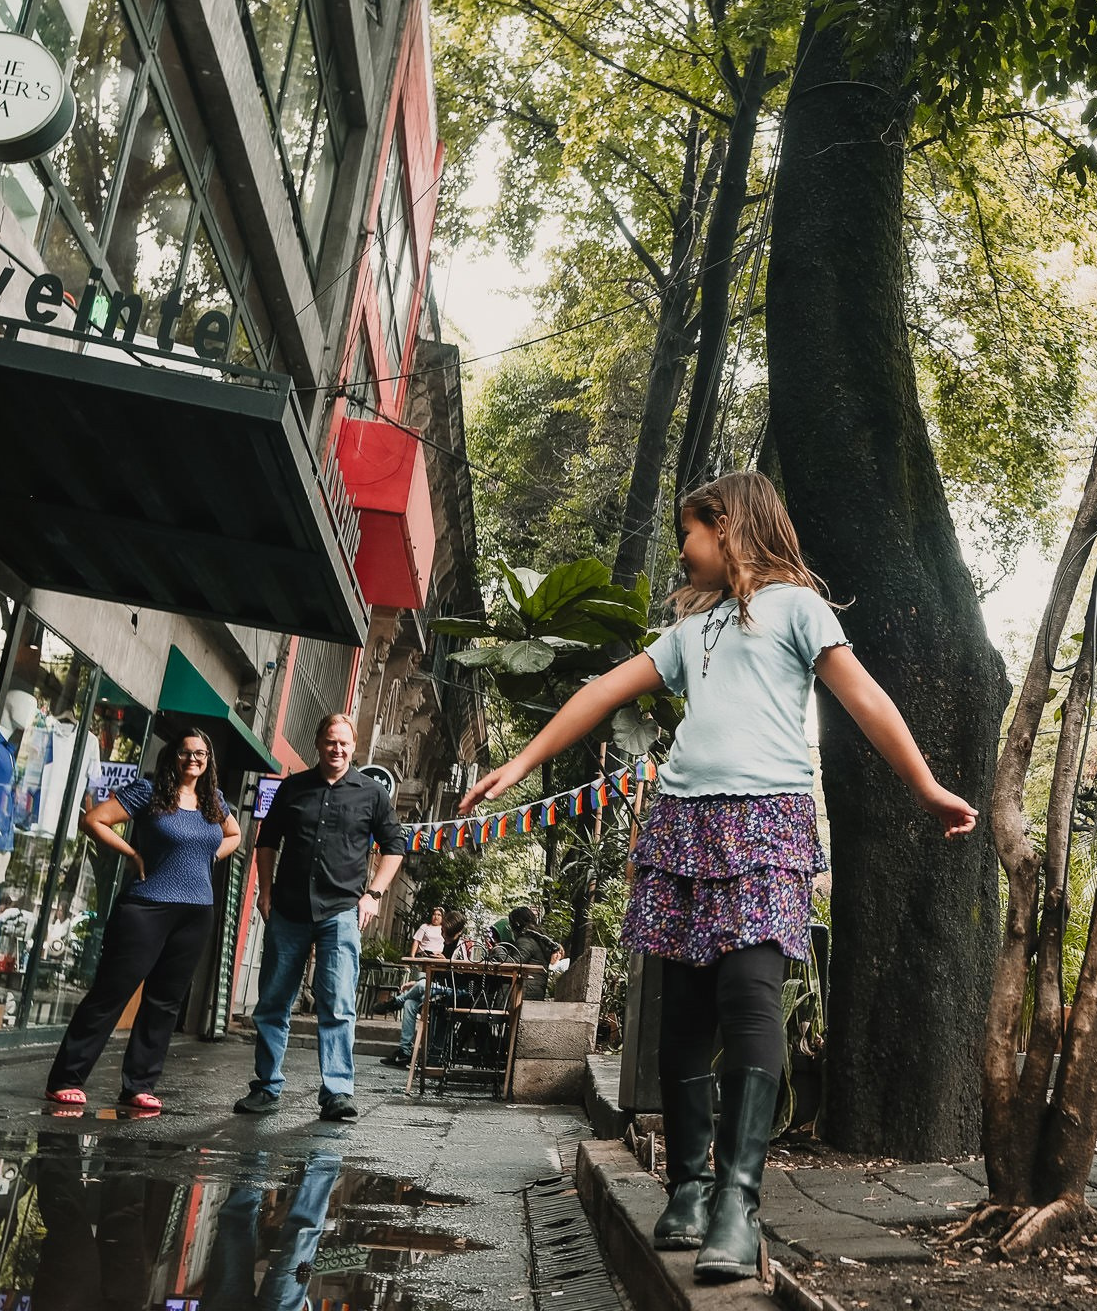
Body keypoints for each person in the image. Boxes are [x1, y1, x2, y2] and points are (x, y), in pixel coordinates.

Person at [459, 471, 975, 1282]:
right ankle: (688, 1190)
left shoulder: (798, 608)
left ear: (728, 525)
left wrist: (925, 785)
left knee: (749, 994)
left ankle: (737, 1202)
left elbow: (865, 699)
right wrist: (521, 763)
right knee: (686, 1013)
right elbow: (603, 691)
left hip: (767, 822)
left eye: (689, 533)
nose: (682, 550)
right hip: (682, 823)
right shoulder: (690, 630)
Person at [44, 727, 241, 1112]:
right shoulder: (148, 791)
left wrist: (210, 856)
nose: (193, 759)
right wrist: (133, 855)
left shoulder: (213, 800)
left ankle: (138, 1085)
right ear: (173, 755)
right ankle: (65, 1078)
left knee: (165, 1002)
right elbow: (94, 820)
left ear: (208, 760)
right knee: (111, 992)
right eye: (186, 752)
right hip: (146, 907)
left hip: (196, 912)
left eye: (200, 754)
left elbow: (233, 834)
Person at [235, 713, 405, 1123]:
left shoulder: (371, 793)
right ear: (319, 743)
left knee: (338, 1004)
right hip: (288, 909)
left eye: (344, 743)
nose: (337, 749)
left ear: (354, 747)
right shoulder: (292, 787)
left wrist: (374, 895)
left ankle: (337, 1093)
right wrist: (265, 892)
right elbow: (267, 842)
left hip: (341, 911)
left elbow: (394, 846)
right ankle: (266, 1087)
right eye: (331, 741)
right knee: (273, 1001)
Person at [382, 909, 470, 1068]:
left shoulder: (464, 947)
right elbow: (436, 977)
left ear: (457, 932)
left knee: (422, 986)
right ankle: (404, 1052)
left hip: (456, 994)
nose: (444, 937)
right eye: (443, 932)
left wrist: (448, 963)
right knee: (410, 1004)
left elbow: (464, 978)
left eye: (446, 934)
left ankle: (396, 1002)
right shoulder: (446, 945)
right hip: (439, 990)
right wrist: (416, 982)